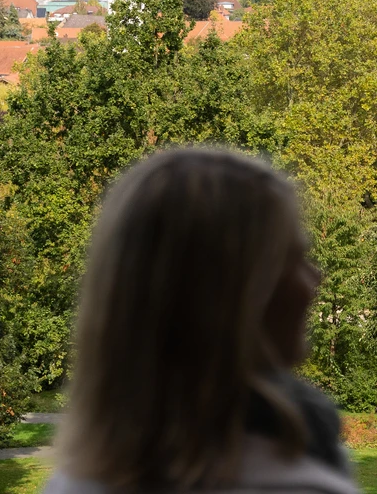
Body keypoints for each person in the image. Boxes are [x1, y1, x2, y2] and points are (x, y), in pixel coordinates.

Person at [44, 148, 358, 494]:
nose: (316, 278)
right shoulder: (294, 485)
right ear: (233, 295)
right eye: (294, 260)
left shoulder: (74, 483)